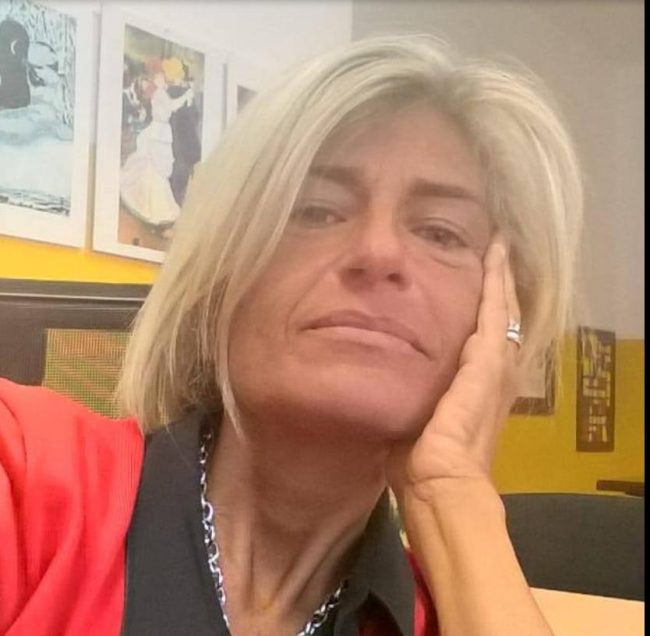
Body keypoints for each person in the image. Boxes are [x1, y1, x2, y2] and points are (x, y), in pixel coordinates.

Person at [0, 34, 583, 635]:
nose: (379, 252)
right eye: (316, 211)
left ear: (496, 324)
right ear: (218, 274)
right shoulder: (24, 478)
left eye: (440, 232)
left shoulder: (461, 614)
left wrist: (453, 493)